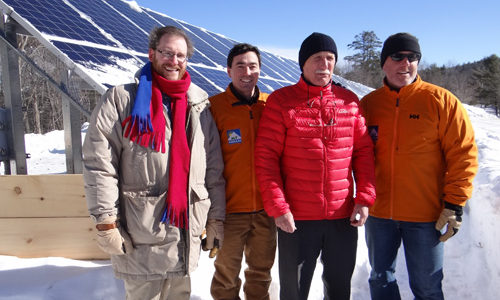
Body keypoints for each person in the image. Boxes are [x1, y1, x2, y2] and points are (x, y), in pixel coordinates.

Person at [82, 26, 226, 300]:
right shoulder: (122, 100)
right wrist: (105, 221)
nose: (174, 61)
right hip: (141, 234)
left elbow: (213, 170)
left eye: (181, 55)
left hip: (185, 232)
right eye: (167, 53)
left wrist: (216, 218)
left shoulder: (199, 105)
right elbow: (99, 165)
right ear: (151, 54)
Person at [254, 32, 376, 300]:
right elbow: (266, 159)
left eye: (330, 58)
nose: (324, 64)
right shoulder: (281, 102)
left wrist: (364, 198)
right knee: (294, 291)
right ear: (303, 63)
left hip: (342, 217)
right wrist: (278, 208)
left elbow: (364, 154)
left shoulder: (350, 102)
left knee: (339, 288)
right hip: (297, 220)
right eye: (317, 58)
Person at [360, 32, 478, 300]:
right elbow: (355, 154)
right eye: (398, 57)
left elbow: (463, 155)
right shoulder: (369, 105)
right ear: (384, 63)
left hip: (425, 216)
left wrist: (454, 204)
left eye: (413, 58)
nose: (406, 63)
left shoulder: (442, 101)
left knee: (427, 286)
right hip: (379, 214)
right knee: (380, 279)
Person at [208, 43, 277, 300]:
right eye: (240, 66)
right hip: (229, 211)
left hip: (266, 211)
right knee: (226, 277)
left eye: (253, 66)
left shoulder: (271, 105)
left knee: (261, 274)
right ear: (228, 71)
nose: (247, 71)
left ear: (260, 70)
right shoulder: (214, 107)